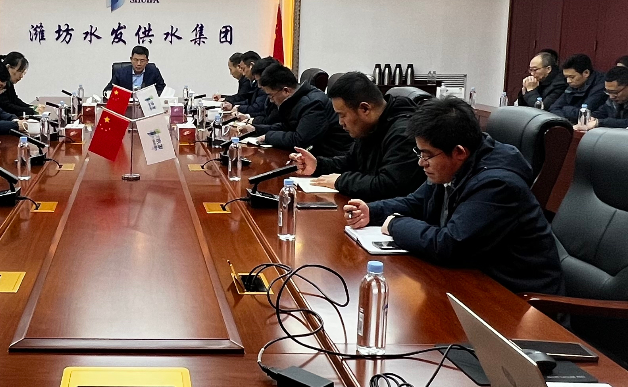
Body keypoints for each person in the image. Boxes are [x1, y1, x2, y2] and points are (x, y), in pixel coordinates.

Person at [343, 97, 563, 295]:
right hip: (474, 281)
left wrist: (395, 225)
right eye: (419, 153)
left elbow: (449, 244)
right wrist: (372, 211)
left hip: (519, 300)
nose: (421, 162)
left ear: (459, 152)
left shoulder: (497, 185)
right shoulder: (454, 166)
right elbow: (417, 201)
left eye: (427, 155)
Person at [288, 72, 424, 200]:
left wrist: (341, 181)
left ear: (365, 109)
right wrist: (318, 165)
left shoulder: (404, 133)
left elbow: (389, 186)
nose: (340, 122)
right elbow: (350, 161)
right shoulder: (370, 127)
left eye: (342, 115)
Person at [227, 63, 350, 156]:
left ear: (286, 90)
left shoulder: (313, 103)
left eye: (271, 96)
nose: (271, 100)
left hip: (331, 158)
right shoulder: (295, 100)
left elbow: (300, 140)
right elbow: (286, 126)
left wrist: (267, 137)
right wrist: (256, 129)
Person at [549, 53, 608, 123]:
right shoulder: (574, 84)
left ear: (586, 73)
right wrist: (564, 121)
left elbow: (583, 113)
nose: (568, 81)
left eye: (572, 77)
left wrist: (564, 108)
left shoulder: (601, 86)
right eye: (566, 77)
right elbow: (554, 108)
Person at [0, 51, 35, 117]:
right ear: (8, 67)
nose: (21, 76)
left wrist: (31, 107)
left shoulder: (9, 82)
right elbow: (6, 106)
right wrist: (30, 110)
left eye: (23, 73)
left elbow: (15, 100)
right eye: (19, 71)